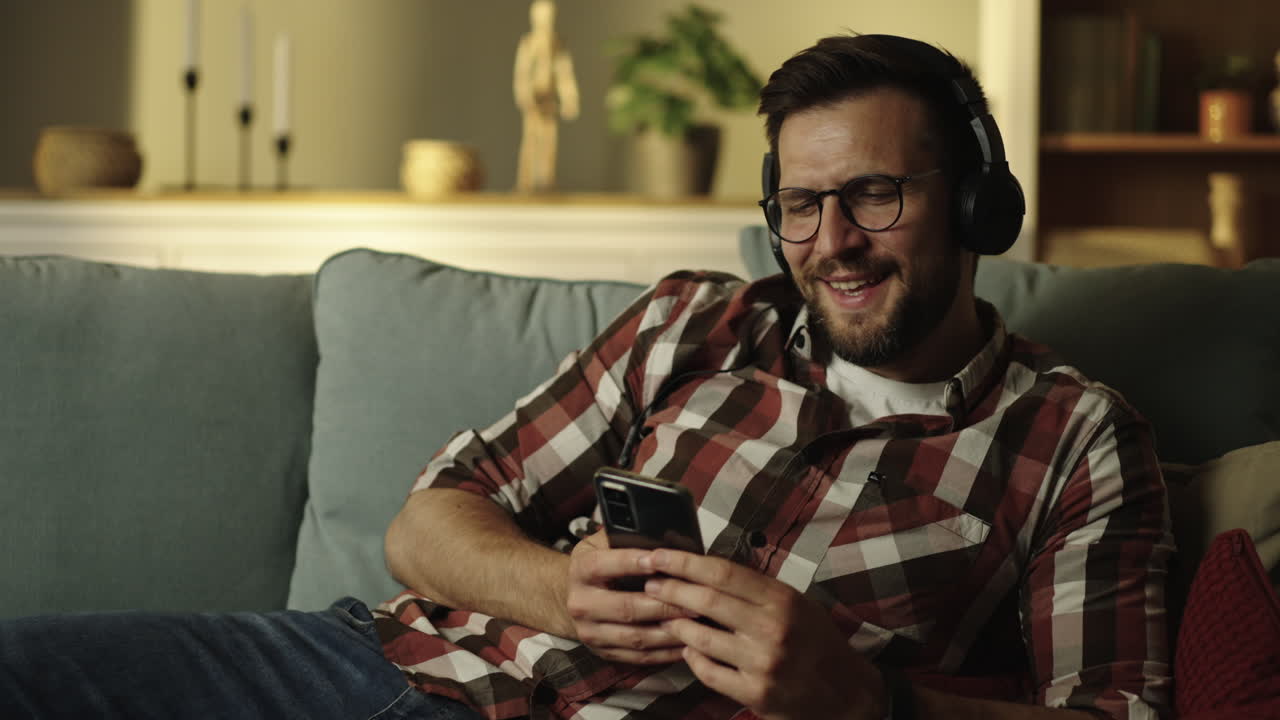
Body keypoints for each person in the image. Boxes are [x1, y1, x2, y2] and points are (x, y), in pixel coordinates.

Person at [0, 33, 1171, 720]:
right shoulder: (694, 322)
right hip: (388, 670)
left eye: (873, 194)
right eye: (799, 205)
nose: (831, 243)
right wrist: (559, 591)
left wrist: (870, 701)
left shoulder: (1074, 438)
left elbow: (1113, 712)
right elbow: (428, 522)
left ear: (974, 203)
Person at [513, 0, 579, 193]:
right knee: (531, 140)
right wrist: (524, 94)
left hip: (549, 99)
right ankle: (525, 181)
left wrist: (569, 99)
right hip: (534, 98)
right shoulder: (529, 43)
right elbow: (522, 73)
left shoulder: (557, 45)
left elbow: (564, 74)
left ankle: (547, 181)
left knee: (550, 140)